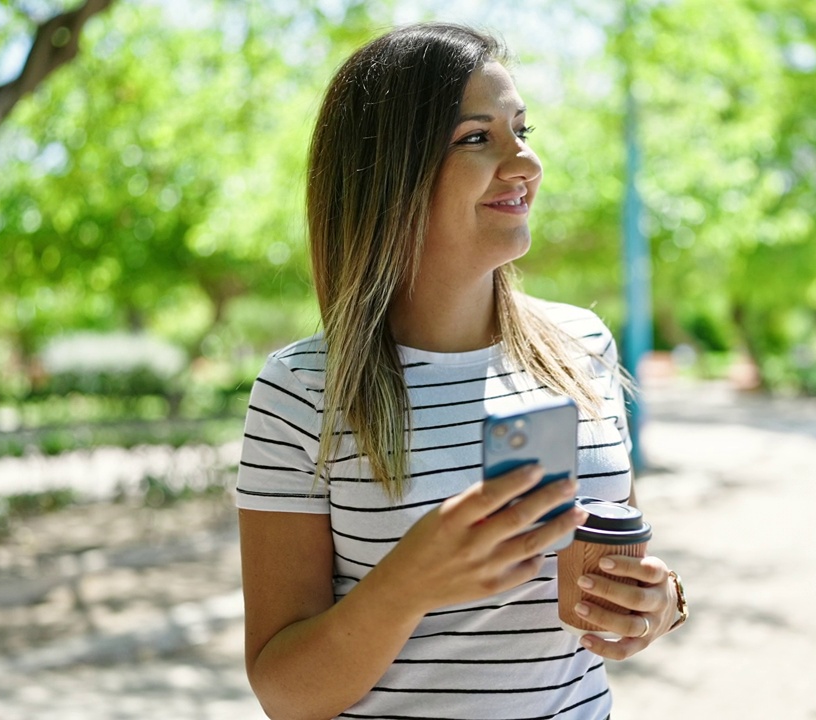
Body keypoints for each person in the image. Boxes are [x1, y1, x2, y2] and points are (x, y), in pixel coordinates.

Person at [236, 23, 687, 720]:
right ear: (390, 173)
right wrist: (406, 584)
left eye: (521, 130)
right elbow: (284, 692)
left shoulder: (583, 345)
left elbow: (610, 551)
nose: (526, 163)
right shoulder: (299, 393)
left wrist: (659, 604)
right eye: (478, 138)